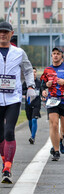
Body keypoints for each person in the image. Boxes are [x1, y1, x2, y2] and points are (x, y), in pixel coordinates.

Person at [0, 22, 36, 183]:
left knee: (9, 132)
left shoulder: (19, 52)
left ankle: (7, 168)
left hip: (13, 99)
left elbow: (28, 70)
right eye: (0, 32)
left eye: (6, 32)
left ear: (11, 33)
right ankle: (4, 160)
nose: (3, 35)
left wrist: (30, 86)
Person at [40, 47, 64, 161]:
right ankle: (56, 151)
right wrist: (44, 88)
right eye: (53, 54)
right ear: (51, 56)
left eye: (58, 54)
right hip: (52, 100)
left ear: (62, 56)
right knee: (54, 124)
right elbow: (42, 84)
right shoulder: (47, 70)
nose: (55, 55)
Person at [22, 67, 41, 144]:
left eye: (35, 72)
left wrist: (44, 94)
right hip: (28, 104)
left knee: (34, 119)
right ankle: (32, 133)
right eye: (32, 72)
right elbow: (22, 91)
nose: (34, 74)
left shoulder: (39, 83)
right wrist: (28, 91)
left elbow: (43, 90)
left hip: (37, 104)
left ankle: (32, 137)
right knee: (30, 121)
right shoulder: (26, 82)